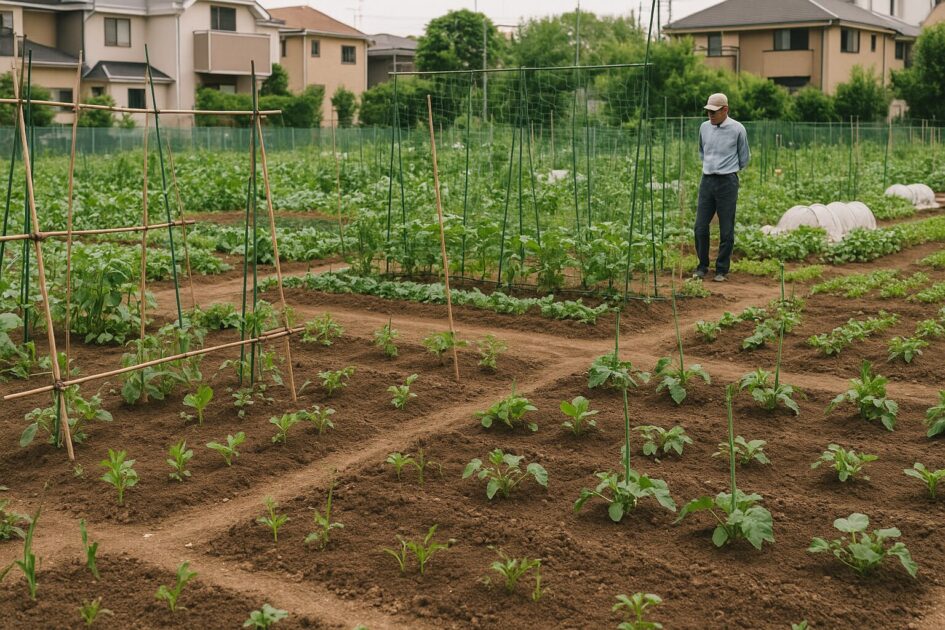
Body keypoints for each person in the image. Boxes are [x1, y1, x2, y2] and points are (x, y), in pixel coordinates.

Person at [693, 93, 750, 282]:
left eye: (714, 112)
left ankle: (722, 269)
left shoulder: (737, 129)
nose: (710, 115)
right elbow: (702, 151)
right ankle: (702, 266)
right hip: (707, 180)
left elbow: (744, 157)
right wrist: (711, 166)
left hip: (727, 182)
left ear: (725, 110)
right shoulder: (704, 127)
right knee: (700, 226)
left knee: (726, 228)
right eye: (708, 111)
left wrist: (728, 170)